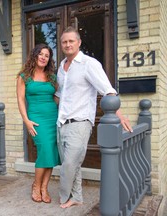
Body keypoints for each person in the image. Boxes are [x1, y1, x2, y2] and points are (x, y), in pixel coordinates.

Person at [55, 26, 133, 209]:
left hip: (80, 122)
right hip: (61, 122)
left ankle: (64, 196)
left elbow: (107, 90)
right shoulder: (61, 67)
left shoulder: (89, 64)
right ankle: (78, 197)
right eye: (64, 41)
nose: (67, 44)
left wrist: (119, 115)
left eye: (71, 41)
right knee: (73, 164)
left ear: (79, 43)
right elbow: (59, 95)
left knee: (69, 164)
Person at [16, 43, 61, 203]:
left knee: (51, 152)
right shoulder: (24, 76)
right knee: (45, 150)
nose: (43, 57)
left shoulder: (52, 77)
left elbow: (57, 97)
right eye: (41, 54)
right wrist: (26, 121)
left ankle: (44, 187)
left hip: (53, 117)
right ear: (35, 56)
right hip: (36, 118)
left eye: (47, 55)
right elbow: (20, 100)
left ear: (49, 59)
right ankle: (36, 185)